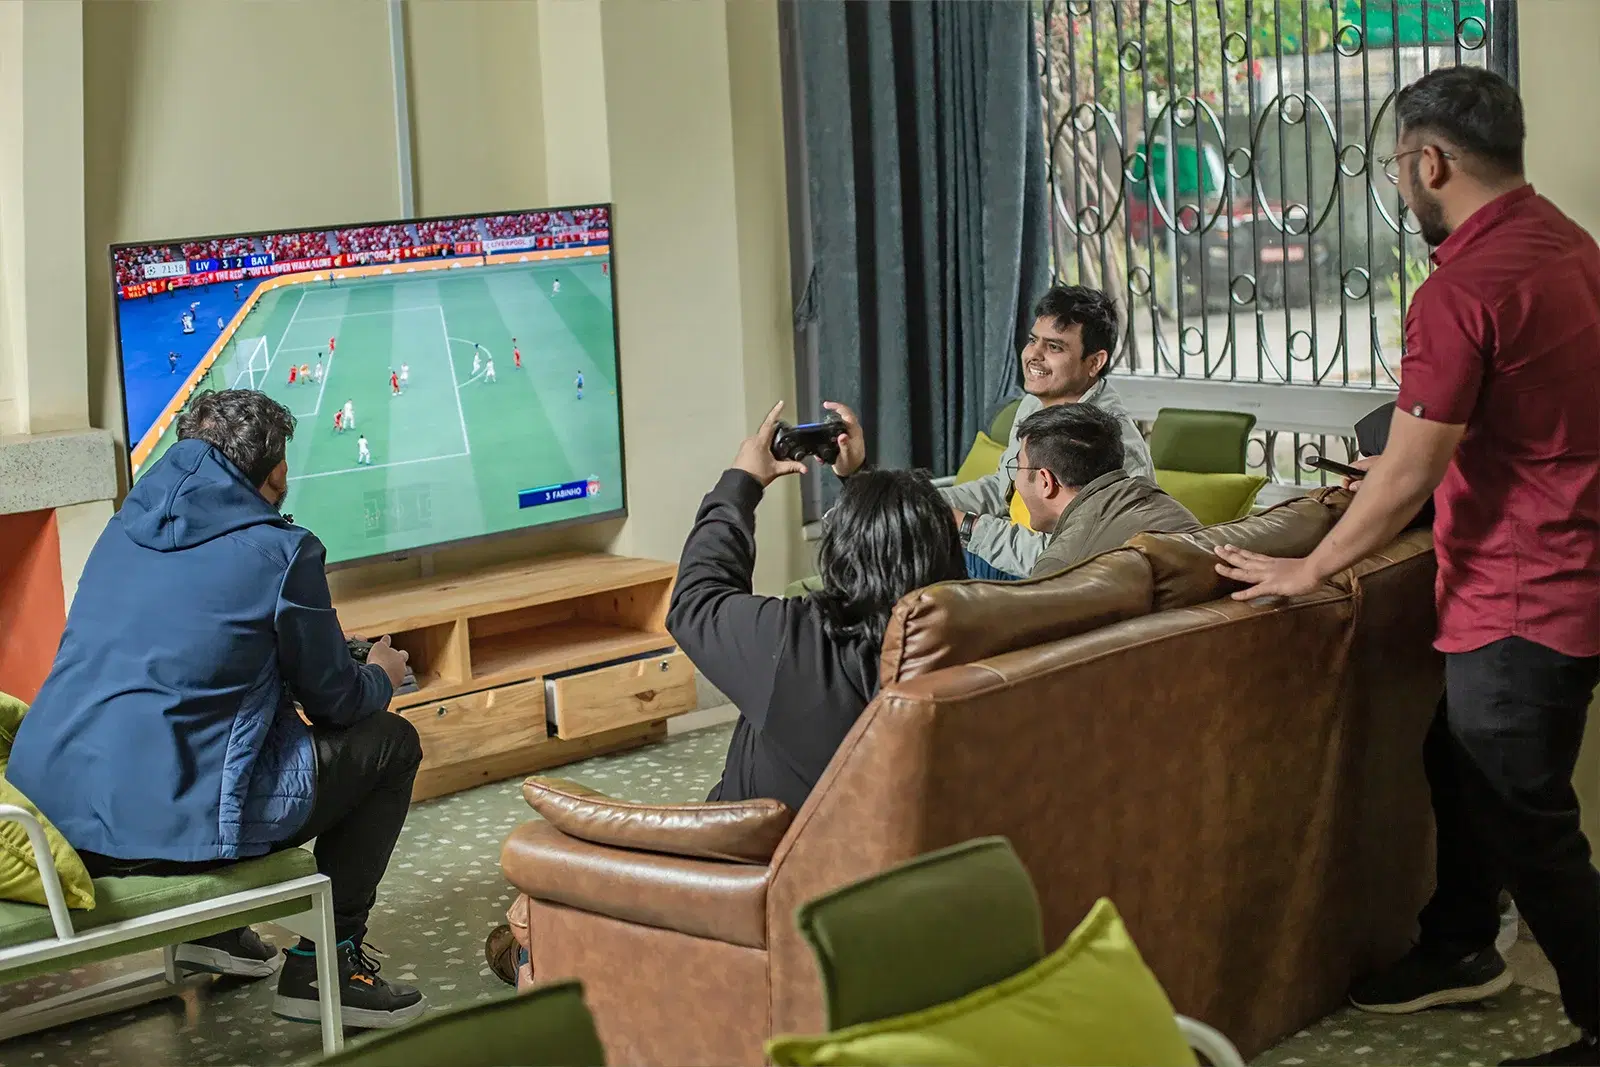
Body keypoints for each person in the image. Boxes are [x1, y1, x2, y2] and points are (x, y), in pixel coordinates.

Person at [1212, 66, 1598, 1067]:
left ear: (1431, 161)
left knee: (1529, 821)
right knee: (1456, 757)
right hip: (1575, 573)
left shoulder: (1461, 286)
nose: (1400, 182)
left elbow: (1407, 476)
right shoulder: (1570, 248)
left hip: (1522, 593)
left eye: (1398, 165)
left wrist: (1308, 571)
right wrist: (1405, 461)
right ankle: (1460, 941)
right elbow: (1520, 418)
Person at [8, 390, 428, 1029]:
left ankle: (220, 935)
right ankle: (326, 968)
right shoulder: (286, 552)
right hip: (156, 832)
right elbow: (337, 703)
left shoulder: (120, 529)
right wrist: (379, 675)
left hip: (58, 810)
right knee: (389, 742)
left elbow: (187, 657)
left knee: (206, 728)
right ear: (268, 473)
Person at [665, 401, 967, 813]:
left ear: (841, 556)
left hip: (771, 862)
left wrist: (742, 481)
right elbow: (900, 566)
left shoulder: (795, 642)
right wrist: (859, 479)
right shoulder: (973, 636)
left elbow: (696, 600)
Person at [828, 285, 1154, 581]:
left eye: (1054, 347)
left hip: (1044, 581)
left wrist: (967, 527)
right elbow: (1003, 491)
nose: (1032, 356)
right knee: (890, 528)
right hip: (1003, 555)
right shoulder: (1034, 405)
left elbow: (1086, 563)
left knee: (896, 546)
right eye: (1032, 340)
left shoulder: (1116, 445)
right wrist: (919, 504)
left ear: (1094, 362)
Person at [1012, 404, 1199, 579]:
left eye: (1018, 467)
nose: (1016, 482)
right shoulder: (1161, 502)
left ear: (1046, 482)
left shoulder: (1061, 567)